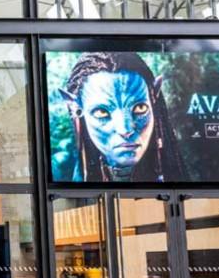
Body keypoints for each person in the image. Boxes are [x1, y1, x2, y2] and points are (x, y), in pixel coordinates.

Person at [58, 51, 182, 182]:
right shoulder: (60, 171)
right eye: (102, 112)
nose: (125, 130)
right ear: (75, 107)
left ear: (153, 98)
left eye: (140, 108)